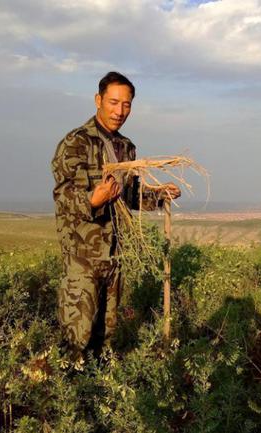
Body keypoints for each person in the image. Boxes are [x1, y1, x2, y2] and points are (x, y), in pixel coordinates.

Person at [51, 71, 181, 356]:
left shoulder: (126, 147)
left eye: (126, 104)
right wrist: (91, 200)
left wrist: (160, 196)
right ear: (98, 100)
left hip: (114, 255)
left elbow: (131, 195)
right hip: (82, 257)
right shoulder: (76, 143)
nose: (120, 111)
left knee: (107, 334)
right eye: (113, 102)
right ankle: (66, 396)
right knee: (77, 336)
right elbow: (63, 196)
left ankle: (100, 394)